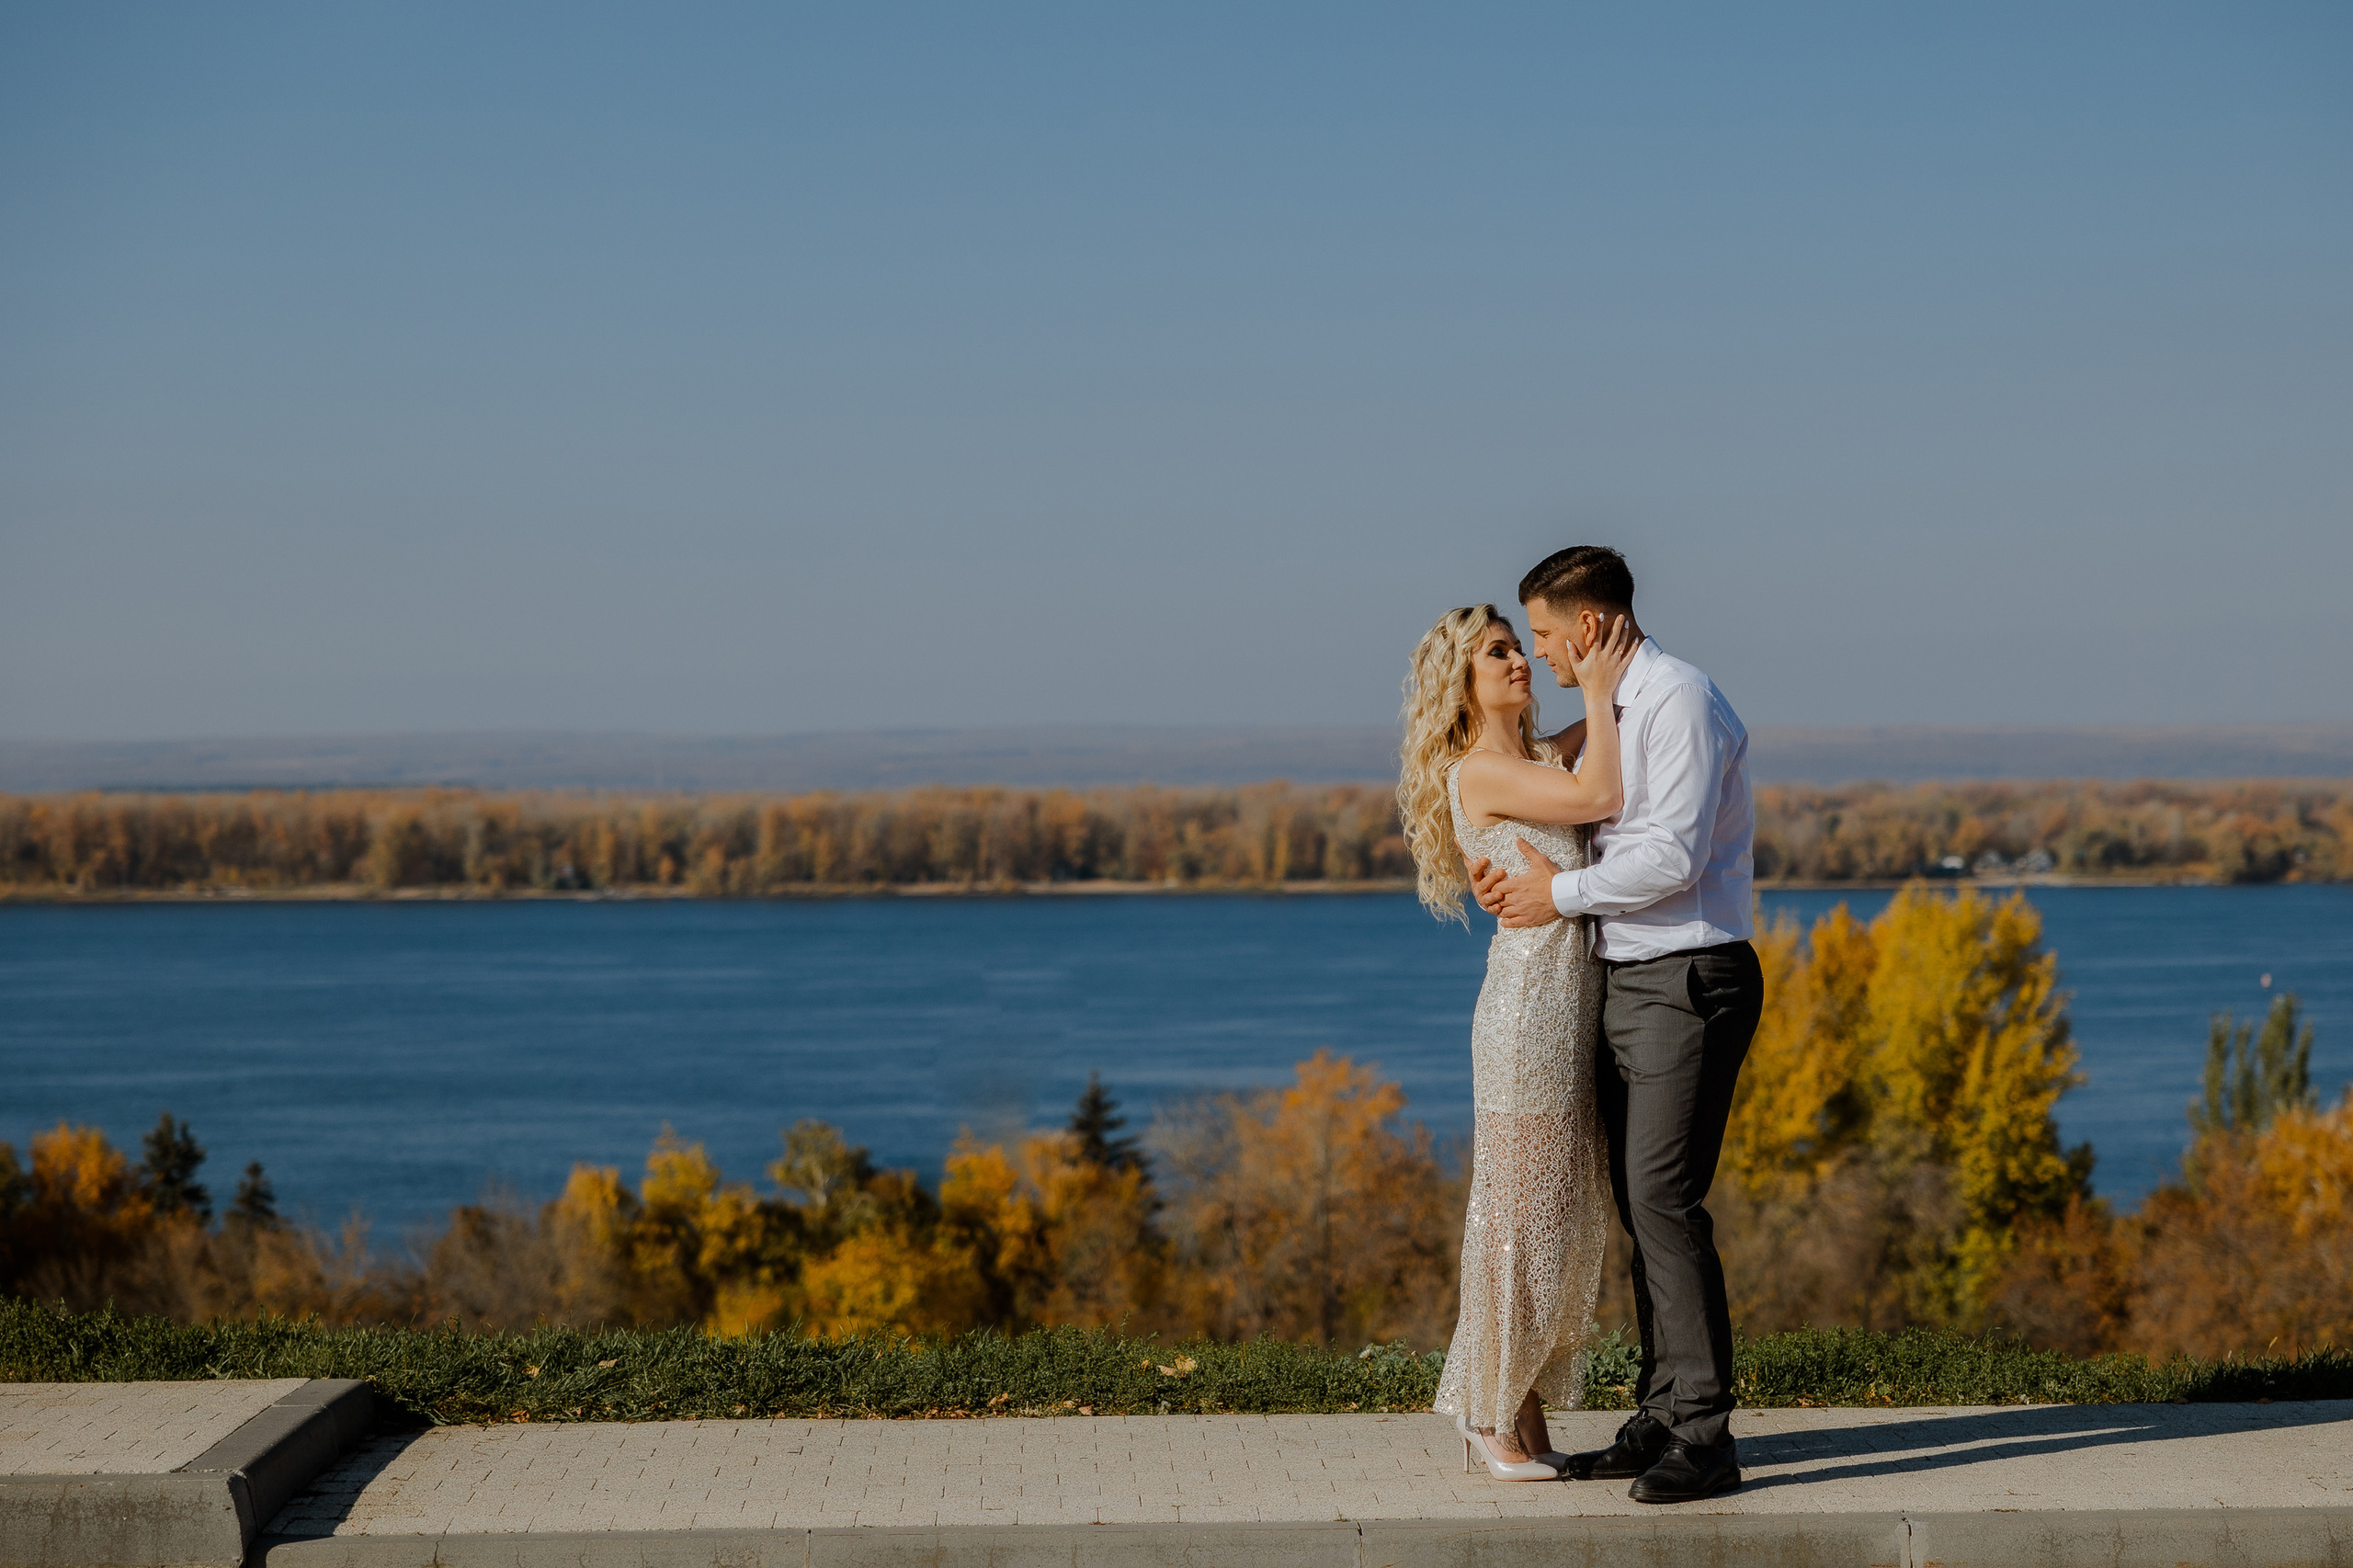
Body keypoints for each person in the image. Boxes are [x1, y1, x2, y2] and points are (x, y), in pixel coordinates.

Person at [1469, 545, 1762, 1505]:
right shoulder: (1615, 708)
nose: (1545, 656)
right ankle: (1662, 1412)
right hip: (1623, 976)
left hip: (1684, 971)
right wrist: (1511, 870)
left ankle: (1704, 1433)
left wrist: (1558, 892)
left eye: (1548, 635)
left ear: (1587, 626)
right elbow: (1545, 797)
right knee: (1641, 1206)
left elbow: (1669, 857)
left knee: (1663, 1200)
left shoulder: (1675, 699)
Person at [1397, 602, 1639, 1482]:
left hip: (1566, 1014)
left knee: (1549, 1221)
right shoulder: (1483, 772)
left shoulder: (1532, 758)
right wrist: (1605, 693)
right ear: (1461, 682)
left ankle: (1519, 1414)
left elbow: (1598, 743)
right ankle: (1486, 1413)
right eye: (1496, 652)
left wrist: (1614, 686)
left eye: (1516, 646)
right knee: (1516, 1224)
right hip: (1527, 1018)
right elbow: (1600, 795)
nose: (1517, 661)